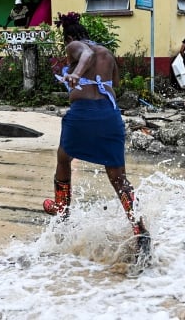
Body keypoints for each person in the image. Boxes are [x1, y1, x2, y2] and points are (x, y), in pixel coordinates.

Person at [44, 13, 150, 263]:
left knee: (63, 158)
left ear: (70, 37)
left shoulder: (76, 46)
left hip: (83, 114)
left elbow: (86, 56)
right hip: (110, 116)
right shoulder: (109, 55)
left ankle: (62, 211)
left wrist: (76, 73)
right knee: (118, 178)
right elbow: (114, 84)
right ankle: (140, 229)